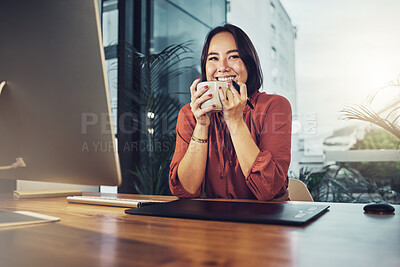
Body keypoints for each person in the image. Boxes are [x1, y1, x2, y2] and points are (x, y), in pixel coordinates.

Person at [169, 24, 292, 201]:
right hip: (216, 221)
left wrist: (235, 121)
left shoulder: (274, 106)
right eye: (213, 58)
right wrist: (202, 126)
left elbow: (268, 189)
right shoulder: (190, 114)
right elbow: (186, 190)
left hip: (268, 219)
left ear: (249, 63)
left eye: (233, 56)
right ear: (204, 66)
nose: (223, 67)